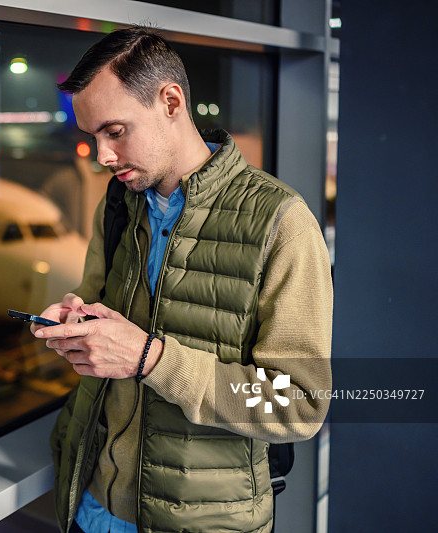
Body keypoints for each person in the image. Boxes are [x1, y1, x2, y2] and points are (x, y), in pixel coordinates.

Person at [31, 27, 332, 533]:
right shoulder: (120, 203)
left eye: (116, 131)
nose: (102, 156)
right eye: (93, 138)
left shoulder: (281, 222)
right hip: (89, 507)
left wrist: (151, 359)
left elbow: (296, 402)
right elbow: (96, 298)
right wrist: (75, 319)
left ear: (171, 101)